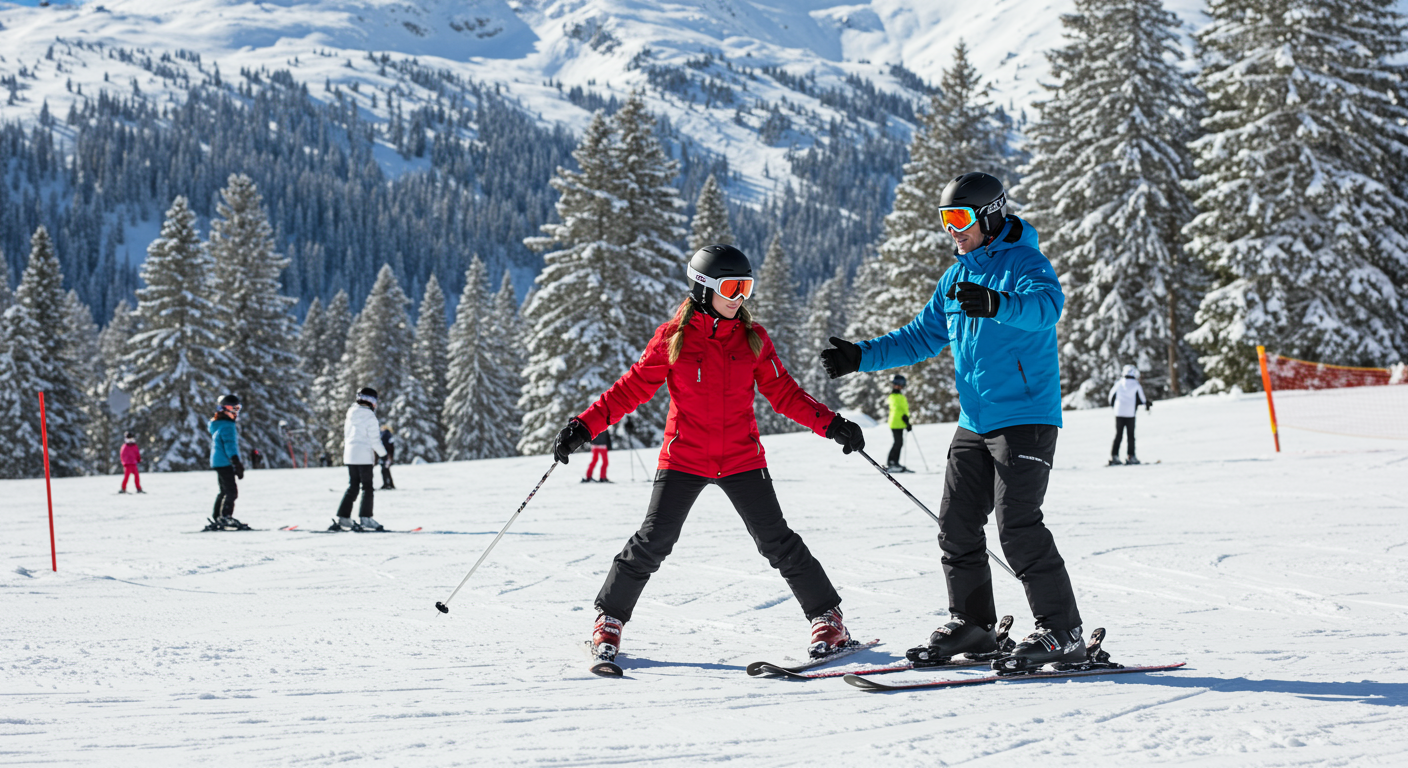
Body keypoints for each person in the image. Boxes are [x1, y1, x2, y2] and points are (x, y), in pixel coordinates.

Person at [820, 172, 1086, 671]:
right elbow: (921, 336)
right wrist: (861, 355)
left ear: (991, 215)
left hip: (1026, 416)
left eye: (960, 219)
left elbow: (1047, 308)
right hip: (975, 420)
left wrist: (999, 304)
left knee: (1018, 525)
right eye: (945, 220)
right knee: (957, 525)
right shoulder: (956, 276)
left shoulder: (1026, 263)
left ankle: (1062, 630)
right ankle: (975, 625)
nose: (952, 231)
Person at [554, 244, 868, 665]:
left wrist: (831, 424)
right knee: (653, 541)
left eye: (746, 287)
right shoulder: (673, 338)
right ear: (703, 288)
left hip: (741, 457)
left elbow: (785, 393)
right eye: (731, 287)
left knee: (776, 540)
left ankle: (828, 619)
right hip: (684, 456)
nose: (740, 297)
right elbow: (630, 389)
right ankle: (608, 619)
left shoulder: (752, 339)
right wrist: (584, 425)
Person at [333, 387, 387, 531]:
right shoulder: (369, 416)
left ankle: (344, 517)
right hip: (363, 456)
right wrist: (384, 454)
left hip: (350, 455)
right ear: (371, 401)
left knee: (353, 486)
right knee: (367, 487)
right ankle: (366, 518)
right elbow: (375, 440)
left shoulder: (350, 413)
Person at [208, 394, 248, 530]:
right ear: (223, 409)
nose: (236, 412)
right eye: (234, 408)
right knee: (231, 491)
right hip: (225, 462)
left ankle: (217, 516)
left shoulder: (217, 424)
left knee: (224, 490)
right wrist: (236, 462)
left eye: (238, 408)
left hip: (218, 461)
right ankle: (225, 517)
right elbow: (229, 445)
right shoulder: (227, 425)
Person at [1109, 365, 1150, 465]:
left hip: (1118, 413)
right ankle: (1131, 456)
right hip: (1130, 413)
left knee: (1118, 435)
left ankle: (1114, 456)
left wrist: (1114, 407)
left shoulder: (1119, 383)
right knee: (1130, 435)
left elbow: (1111, 397)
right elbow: (1142, 399)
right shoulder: (1136, 384)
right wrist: (1147, 404)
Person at [886, 375, 912, 472]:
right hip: (895, 422)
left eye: (900, 385)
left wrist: (907, 422)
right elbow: (896, 409)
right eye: (896, 384)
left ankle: (894, 463)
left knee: (899, 443)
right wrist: (904, 418)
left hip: (900, 423)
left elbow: (904, 409)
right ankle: (891, 463)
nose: (898, 386)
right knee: (898, 443)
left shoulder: (901, 396)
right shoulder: (892, 396)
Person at [378, 425, 396, 490]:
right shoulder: (389, 435)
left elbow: (386, 445)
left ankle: (387, 484)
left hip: (385, 454)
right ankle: (390, 484)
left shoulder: (385, 435)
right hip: (388, 455)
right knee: (386, 470)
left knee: (384, 470)